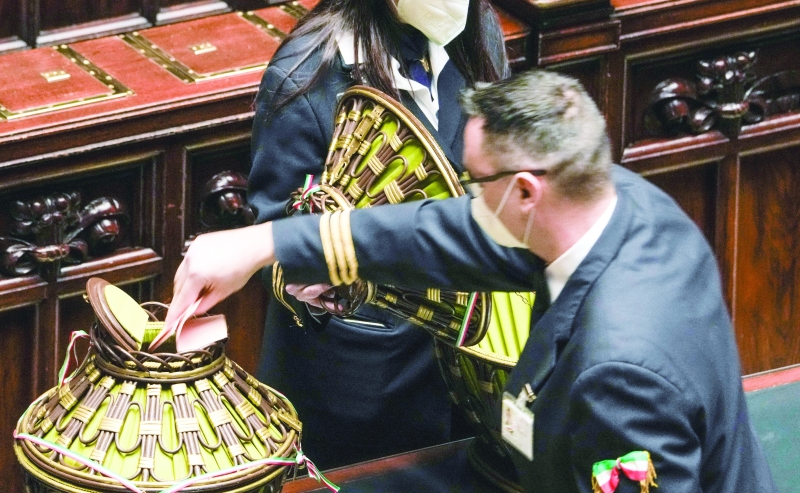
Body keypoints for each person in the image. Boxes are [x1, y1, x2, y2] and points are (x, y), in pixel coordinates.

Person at [169, 70, 776, 492]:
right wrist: (263, 244)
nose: (465, 194)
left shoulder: (618, 375)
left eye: (475, 180)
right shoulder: (629, 207)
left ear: (524, 191)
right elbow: (445, 231)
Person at [246, 0, 526, 468]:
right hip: (356, 391)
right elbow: (272, 240)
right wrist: (322, 276)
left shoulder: (477, 29)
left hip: (461, 374)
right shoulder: (306, 76)